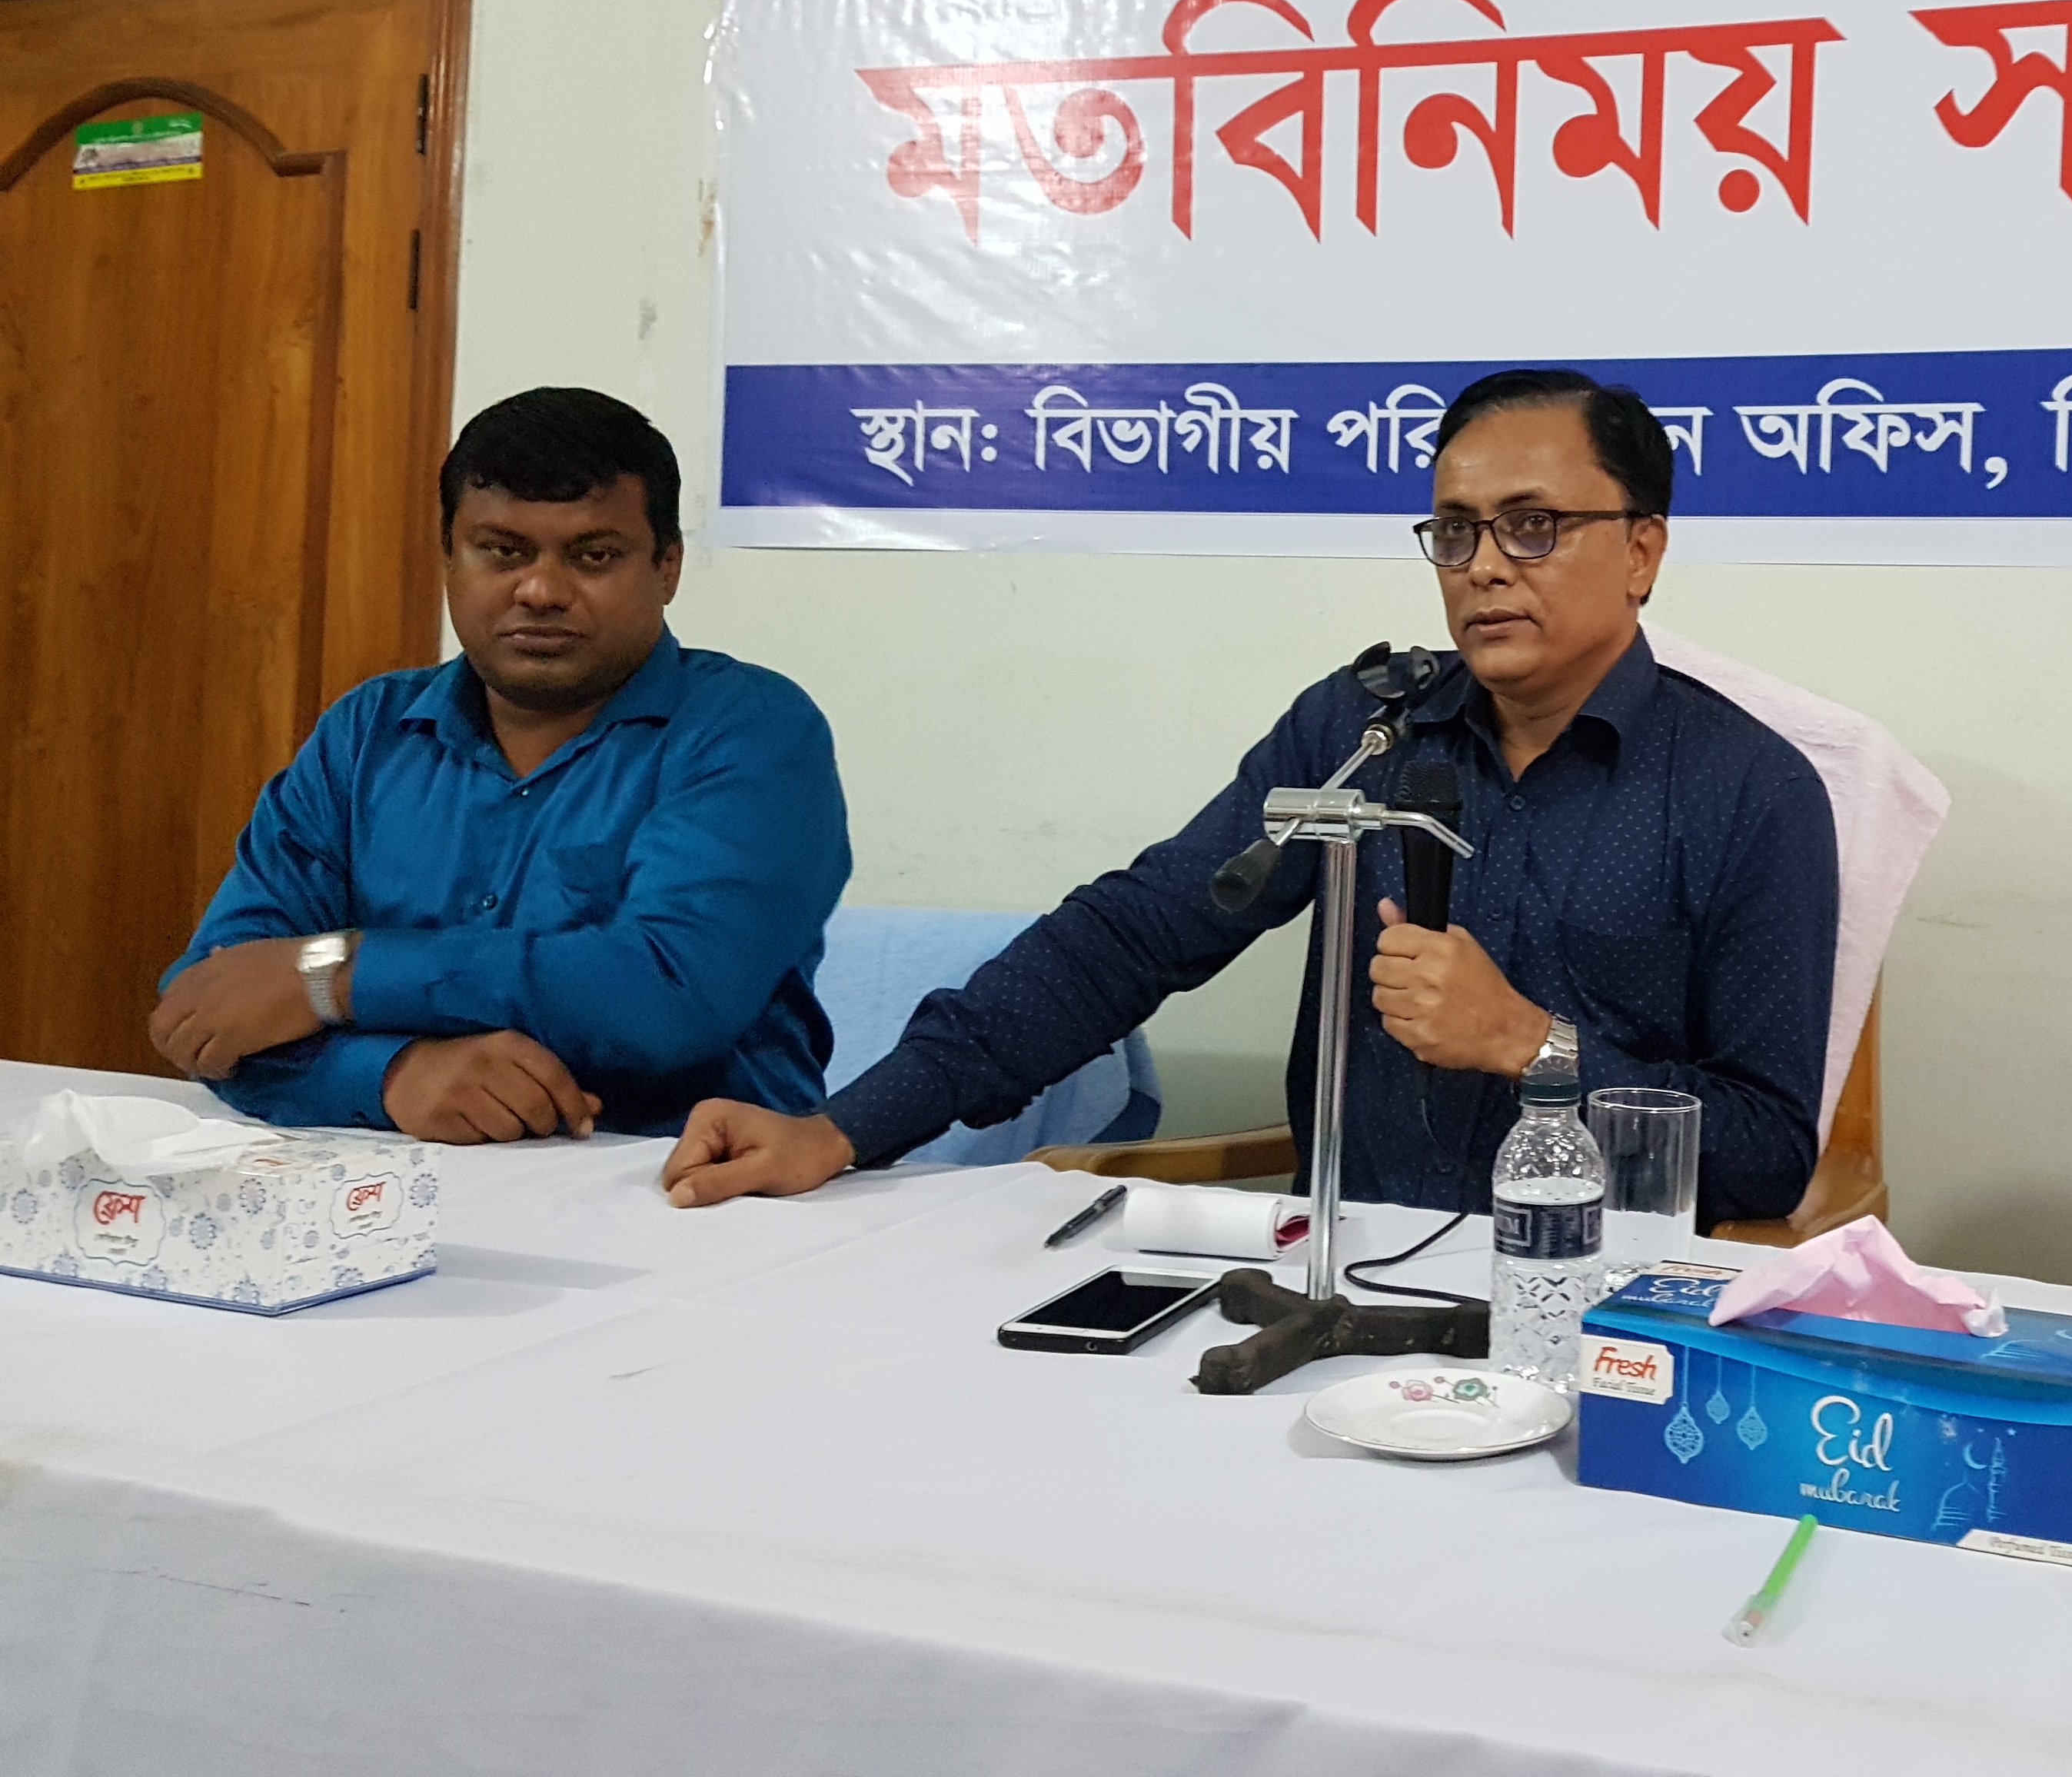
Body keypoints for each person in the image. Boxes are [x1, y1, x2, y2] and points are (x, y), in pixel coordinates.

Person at [662, 368, 1839, 1220]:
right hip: (1345, 1271)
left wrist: (1532, 1045)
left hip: (1600, 1302)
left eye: (1534, 528)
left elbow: (1769, 1152)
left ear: (1641, 551)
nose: (1484, 566)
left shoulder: (1751, 793)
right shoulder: (1365, 732)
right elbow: (1130, 938)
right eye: (1455, 531)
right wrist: (844, 1127)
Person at [151, 388, 853, 1144]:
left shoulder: (750, 732)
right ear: (449, 559)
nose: (542, 591)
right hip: (393, 1182)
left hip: (686, 1181)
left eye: (593, 556)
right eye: (503, 551)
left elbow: (669, 996)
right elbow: (207, 1005)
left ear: (667, 568)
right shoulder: (367, 733)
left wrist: (335, 975)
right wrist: (392, 1076)